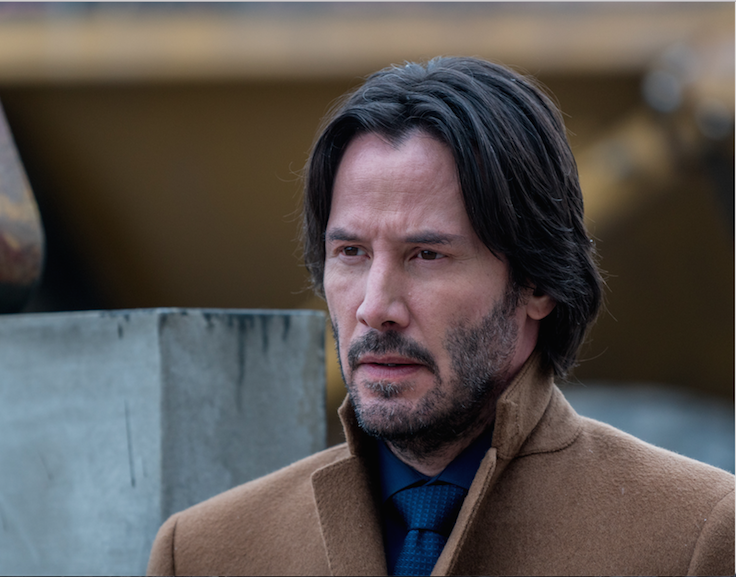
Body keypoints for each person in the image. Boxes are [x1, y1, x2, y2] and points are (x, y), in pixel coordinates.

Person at [146, 57, 734, 576]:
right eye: (350, 253)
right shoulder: (202, 554)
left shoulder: (696, 539)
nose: (375, 307)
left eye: (426, 255)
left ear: (537, 283)